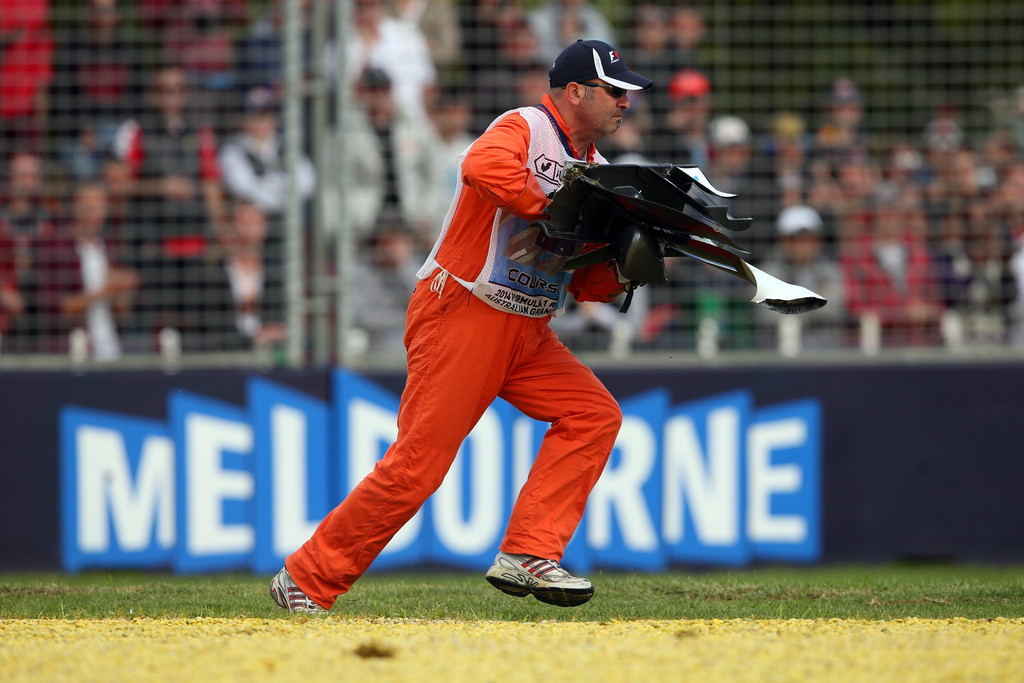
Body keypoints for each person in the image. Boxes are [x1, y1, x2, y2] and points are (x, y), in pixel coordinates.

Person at [270, 39, 653, 612]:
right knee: (416, 467)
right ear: (575, 93)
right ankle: (307, 579)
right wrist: (556, 210)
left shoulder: (595, 171)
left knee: (593, 415)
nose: (626, 103)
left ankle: (528, 553)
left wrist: (626, 267)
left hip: (526, 329)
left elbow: (583, 283)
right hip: (464, 312)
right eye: (615, 91)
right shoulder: (526, 124)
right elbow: (482, 167)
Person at [35, 182, 140, 359]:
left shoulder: (111, 248)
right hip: (75, 355)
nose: (95, 216)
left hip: (112, 352)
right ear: (75, 208)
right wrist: (105, 291)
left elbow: (124, 313)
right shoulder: (58, 249)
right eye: (89, 208)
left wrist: (124, 290)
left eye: (100, 208)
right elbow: (56, 307)